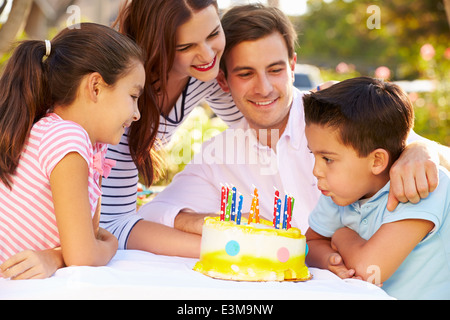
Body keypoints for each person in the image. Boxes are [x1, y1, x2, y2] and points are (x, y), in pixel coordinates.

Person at [139, 3, 450, 248]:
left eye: (275, 70)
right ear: (223, 80)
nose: (263, 88)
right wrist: (214, 221)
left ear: (292, 65)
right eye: (245, 74)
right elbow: (152, 213)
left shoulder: (339, 115)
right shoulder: (218, 155)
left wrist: (420, 149)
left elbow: (435, 159)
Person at [0, 23, 143, 279]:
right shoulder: (66, 138)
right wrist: (112, 245)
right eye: (133, 96)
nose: (137, 114)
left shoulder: (77, 141)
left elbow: (87, 238)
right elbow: (84, 255)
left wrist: (56, 256)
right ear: (96, 87)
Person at [100, 0, 243, 252]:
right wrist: (224, 247)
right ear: (156, 47)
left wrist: (323, 102)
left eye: (214, 34)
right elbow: (109, 227)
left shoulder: (204, 77)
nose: (209, 55)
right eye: (186, 46)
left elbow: (262, 123)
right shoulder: (119, 97)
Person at [303, 77, 449, 299]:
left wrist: (341, 237)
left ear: (377, 161)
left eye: (327, 159)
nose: (316, 170)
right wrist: (329, 261)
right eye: (313, 154)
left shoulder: (420, 185)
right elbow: (310, 243)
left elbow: (371, 269)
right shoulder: (339, 191)